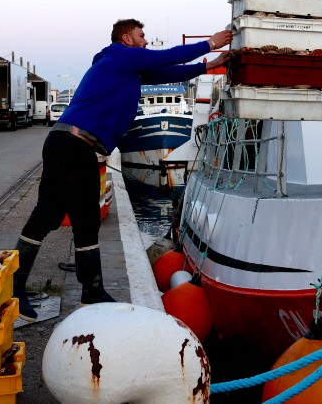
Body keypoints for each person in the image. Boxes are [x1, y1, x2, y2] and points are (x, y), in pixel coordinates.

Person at [13, 19, 232, 320]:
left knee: (86, 219)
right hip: (71, 144)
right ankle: (14, 286)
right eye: (142, 36)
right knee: (47, 215)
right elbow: (166, 57)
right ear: (127, 38)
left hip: (79, 147)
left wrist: (210, 66)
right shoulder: (120, 55)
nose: (146, 41)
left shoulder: (125, 67)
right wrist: (211, 43)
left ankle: (91, 291)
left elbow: (168, 71)